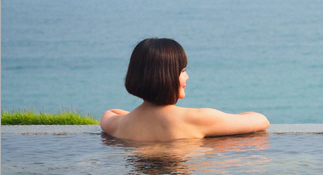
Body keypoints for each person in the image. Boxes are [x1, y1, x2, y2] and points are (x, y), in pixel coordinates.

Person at [101, 38, 269, 141]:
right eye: (182, 71)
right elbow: (261, 121)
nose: (187, 77)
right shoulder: (197, 119)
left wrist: (138, 116)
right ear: (165, 76)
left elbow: (109, 113)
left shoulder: (120, 125)